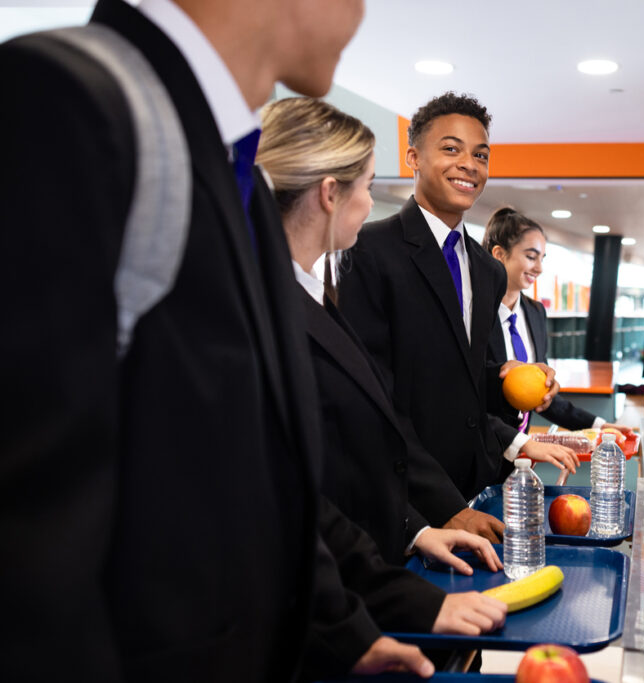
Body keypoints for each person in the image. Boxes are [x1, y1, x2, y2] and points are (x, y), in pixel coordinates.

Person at [0, 0, 431, 680]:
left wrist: (341, 631)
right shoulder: (63, 103)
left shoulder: (239, 182)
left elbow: (258, 472)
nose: (361, 13)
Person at [256, 97, 507, 638]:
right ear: (329, 194)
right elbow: (297, 486)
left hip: (375, 557)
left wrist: (414, 532)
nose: (371, 203)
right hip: (308, 604)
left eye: (481, 153)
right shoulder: (271, 308)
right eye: (368, 186)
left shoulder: (312, 296)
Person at [335, 92, 578, 502]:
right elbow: (371, 400)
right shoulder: (368, 251)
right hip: (403, 500)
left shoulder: (488, 270)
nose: (469, 164)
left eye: (481, 155)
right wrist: (444, 507)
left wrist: (518, 382)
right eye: (451, 149)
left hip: (477, 488)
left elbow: (468, 385)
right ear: (413, 157)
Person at [483, 207, 634, 447]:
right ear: (499, 254)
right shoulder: (473, 315)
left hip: (518, 459)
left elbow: (541, 396)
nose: (539, 268)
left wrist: (597, 425)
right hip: (480, 454)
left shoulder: (534, 313)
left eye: (542, 259)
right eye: (531, 257)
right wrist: (519, 444)